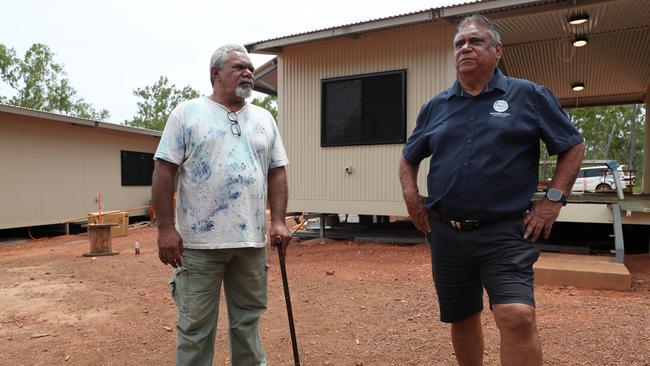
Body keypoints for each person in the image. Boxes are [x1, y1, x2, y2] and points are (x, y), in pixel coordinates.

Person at [399, 15, 585, 366]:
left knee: (518, 315)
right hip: (446, 233)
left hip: (505, 232)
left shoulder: (528, 95)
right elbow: (408, 158)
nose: (466, 47)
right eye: (459, 43)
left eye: (476, 41)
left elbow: (573, 146)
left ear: (497, 50)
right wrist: (412, 198)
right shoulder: (436, 107)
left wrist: (553, 202)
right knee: (462, 316)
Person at [152, 44, 291, 366]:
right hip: (199, 247)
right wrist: (166, 229)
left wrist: (279, 221)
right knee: (195, 329)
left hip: (250, 245)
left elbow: (277, 171)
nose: (248, 73)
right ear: (215, 73)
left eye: (251, 69)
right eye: (239, 67)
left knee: (248, 324)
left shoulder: (264, 118)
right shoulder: (187, 114)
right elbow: (164, 170)